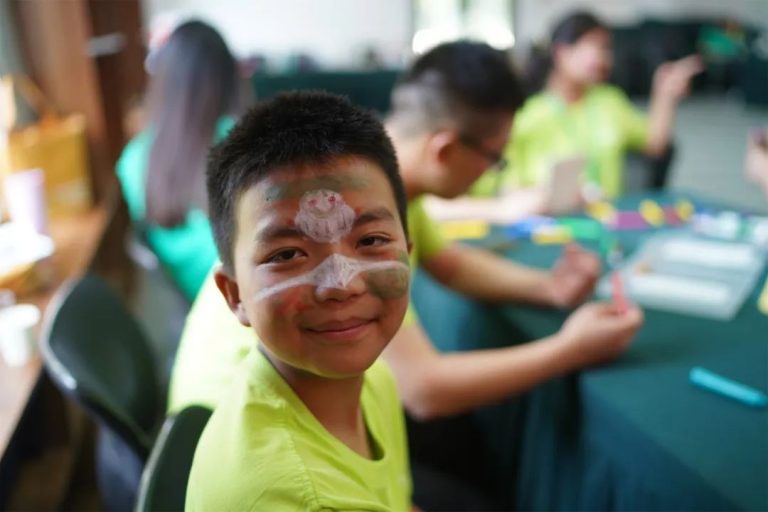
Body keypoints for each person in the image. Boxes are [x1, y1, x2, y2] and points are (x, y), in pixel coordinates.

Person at [169, 41, 643, 423]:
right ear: (445, 150)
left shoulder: (385, 186)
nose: (342, 282)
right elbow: (423, 389)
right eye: (494, 157)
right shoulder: (360, 195)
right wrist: (568, 349)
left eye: (371, 242)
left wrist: (549, 287)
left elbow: (451, 263)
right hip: (231, 425)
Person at [186, 92, 414, 509]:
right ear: (234, 294)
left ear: (408, 252)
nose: (341, 284)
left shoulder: (373, 380)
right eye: (287, 254)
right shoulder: (295, 497)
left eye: (371, 241)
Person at [432, 12, 702, 222]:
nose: (604, 58)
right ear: (562, 52)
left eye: (608, 49)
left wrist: (664, 94)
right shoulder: (526, 114)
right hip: (544, 222)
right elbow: (496, 188)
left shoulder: (609, 101)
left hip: (604, 218)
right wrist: (523, 200)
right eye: (595, 47)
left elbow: (655, 143)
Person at [116, 20, 241, 301]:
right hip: (237, 290)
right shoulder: (237, 140)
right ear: (226, 77)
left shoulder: (132, 159)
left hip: (190, 292)